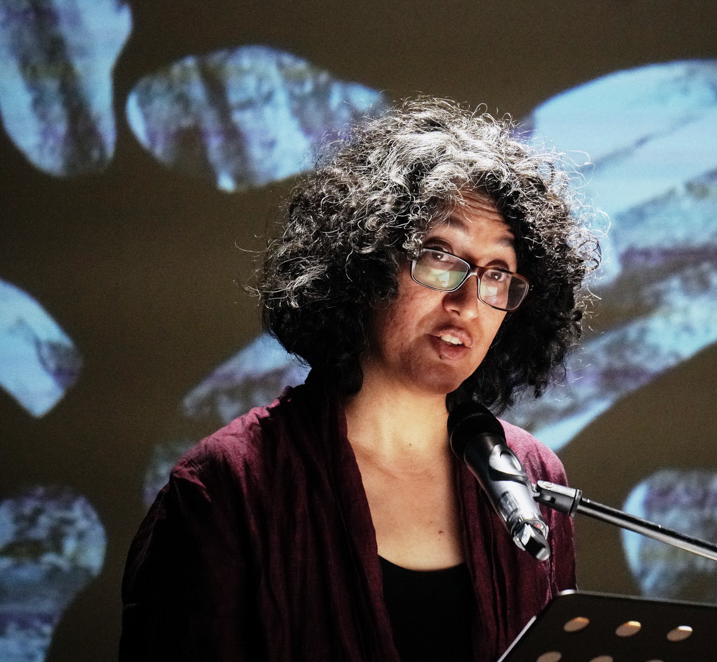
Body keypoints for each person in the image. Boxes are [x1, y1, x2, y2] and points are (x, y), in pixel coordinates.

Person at [119, 97, 600, 661]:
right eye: (440, 256)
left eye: (498, 273)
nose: (468, 303)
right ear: (365, 263)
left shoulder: (534, 478)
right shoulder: (229, 484)